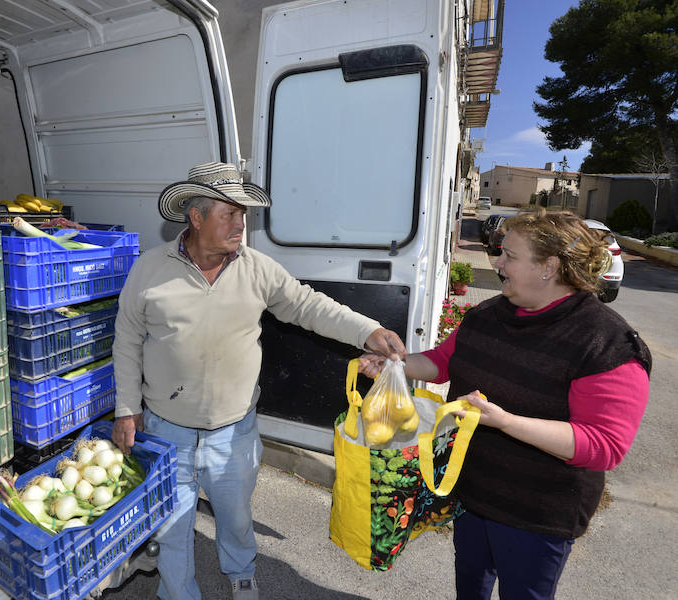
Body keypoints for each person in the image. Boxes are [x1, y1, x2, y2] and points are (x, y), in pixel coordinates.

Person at [111, 161, 406, 600]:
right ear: (196, 217)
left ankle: (241, 570)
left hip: (233, 431)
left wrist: (369, 330)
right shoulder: (150, 269)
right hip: (166, 429)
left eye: (243, 214)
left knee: (234, 518)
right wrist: (126, 409)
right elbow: (127, 340)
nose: (240, 224)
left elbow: (310, 306)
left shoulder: (256, 268)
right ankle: (178, 593)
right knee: (172, 525)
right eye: (229, 213)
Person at [360, 209, 651, 600]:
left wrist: (506, 422)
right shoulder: (486, 315)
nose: (497, 263)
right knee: (471, 589)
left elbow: (603, 446)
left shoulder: (607, 343)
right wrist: (394, 366)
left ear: (549, 267)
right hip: (474, 494)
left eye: (510, 256)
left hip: (538, 515)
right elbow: (445, 362)